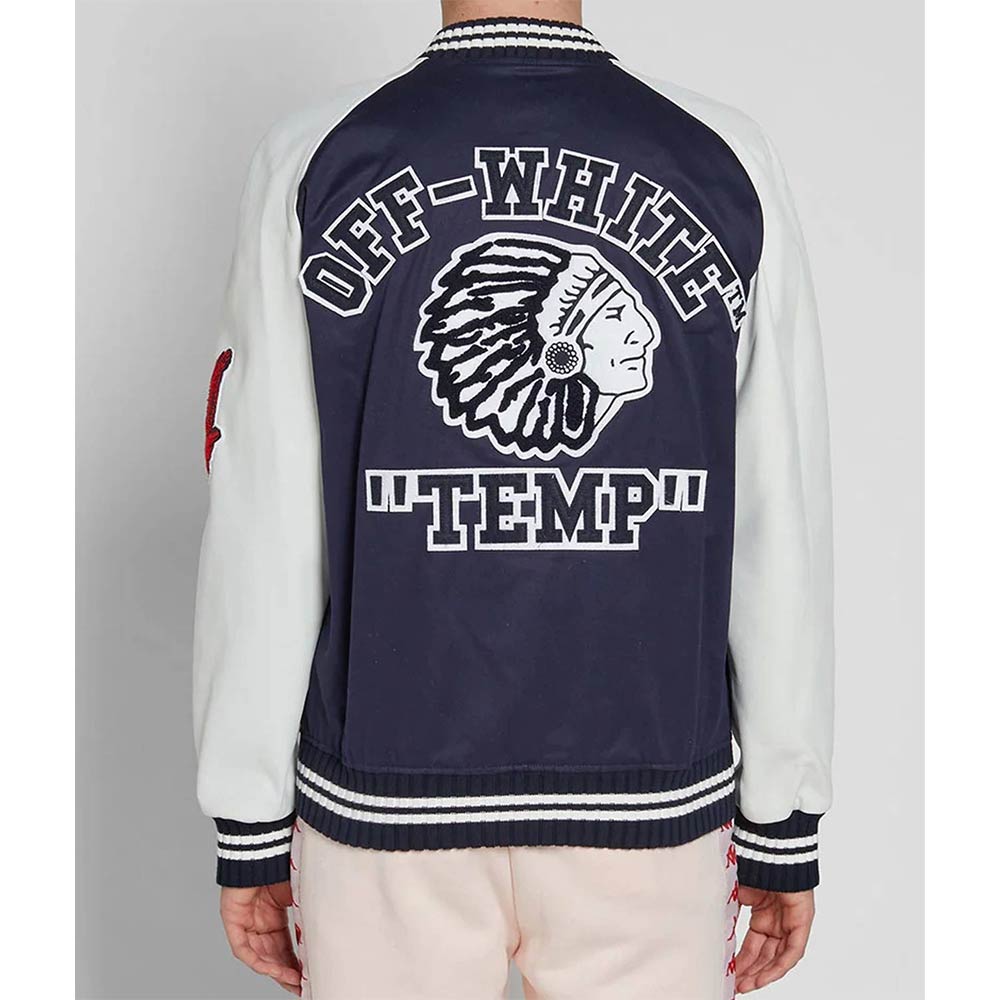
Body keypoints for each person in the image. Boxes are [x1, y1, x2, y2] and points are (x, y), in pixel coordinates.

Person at [193, 1, 834, 996]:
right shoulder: (720, 157)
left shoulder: (317, 155)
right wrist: (782, 812)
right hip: (650, 810)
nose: (642, 337)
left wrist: (250, 812)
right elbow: (777, 511)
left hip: (385, 810)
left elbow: (266, 513)